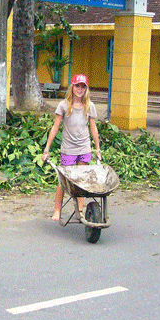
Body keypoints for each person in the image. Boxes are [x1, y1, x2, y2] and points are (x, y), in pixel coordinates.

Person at [42, 74, 101, 221]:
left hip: (84, 148)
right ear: (72, 87)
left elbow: (93, 129)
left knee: (80, 180)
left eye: (82, 87)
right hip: (68, 149)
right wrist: (47, 149)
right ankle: (57, 210)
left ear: (86, 89)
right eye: (77, 86)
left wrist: (97, 149)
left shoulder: (90, 106)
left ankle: (79, 210)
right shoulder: (63, 105)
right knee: (64, 180)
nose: (79, 89)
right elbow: (55, 127)